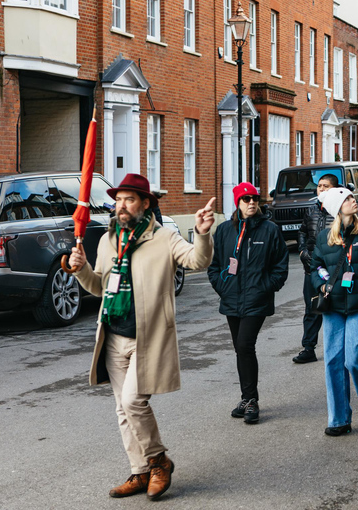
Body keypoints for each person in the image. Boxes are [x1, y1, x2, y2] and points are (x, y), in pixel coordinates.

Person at [67, 173, 215, 501]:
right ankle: (140, 470)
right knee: (122, 409)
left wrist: (203, 234)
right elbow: (101, 288)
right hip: (113, 337)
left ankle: (159, 459)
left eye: (129, 199)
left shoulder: (163, 237)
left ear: (145, 204)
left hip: (148, 339)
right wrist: (81, 270)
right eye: (118, 199)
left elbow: (198, 260)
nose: (122, 205)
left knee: (134, 402)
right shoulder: (108, 240)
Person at [208, 182, 289, 425]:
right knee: (240, 348)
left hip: (257, 299)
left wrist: (267, 287)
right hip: (231, 298)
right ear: (237, 203)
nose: (252, 202)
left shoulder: (270, 230)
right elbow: (214, 266)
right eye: (246, 199)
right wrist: (222, 287)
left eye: (255, 198)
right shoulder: (223, 230)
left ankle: (251, 400)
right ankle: (246, 398)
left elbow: (280, 266)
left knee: (245, 344)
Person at [310, 187, 358, 436]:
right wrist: (322, 284)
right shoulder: (324, 237)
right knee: (333, 362)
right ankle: (339, 419)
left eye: (353, 198)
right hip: (332, 306)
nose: (354, 201)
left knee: (354, 359)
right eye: (348, 199)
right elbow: (315, 267)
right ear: (337, 207)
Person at [293, 173, 338, 364]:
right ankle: (308, 348)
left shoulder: (339, 212)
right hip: (311, 269)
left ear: (334, 189)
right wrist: (303, 251)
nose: (321, 189)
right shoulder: (311, 210)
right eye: (319, 186)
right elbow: (302, 232)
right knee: (312, 308)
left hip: (333, 271)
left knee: (334, 309)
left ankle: (335, 349)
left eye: (325, 186)